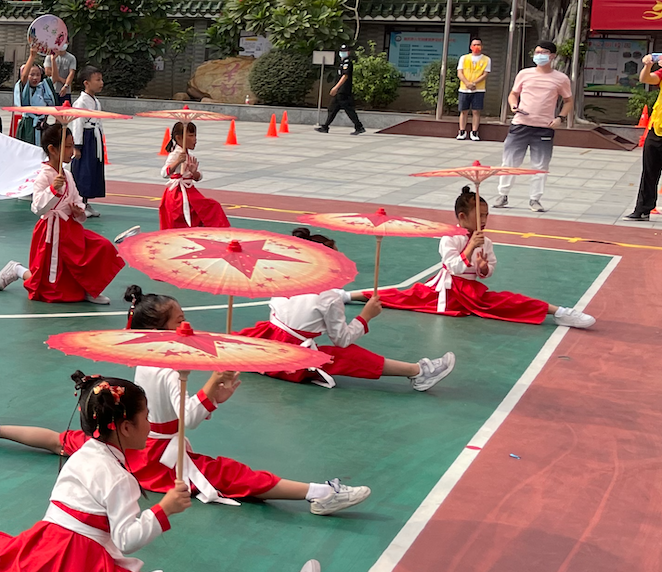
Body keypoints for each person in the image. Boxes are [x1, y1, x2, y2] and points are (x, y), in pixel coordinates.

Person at [0, 374, 322, 572]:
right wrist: (165, 510)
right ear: (125, 427)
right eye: (145, 420)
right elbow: (125, 540)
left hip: (39, 553)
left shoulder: (84, 452)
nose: (150, 427)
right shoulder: (121, 477)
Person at [0, 286, 374, 514]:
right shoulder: (164, 368)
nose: (186, 323)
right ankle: (320, 492)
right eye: (179, 320)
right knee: (233, 475)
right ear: (161, 328)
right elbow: (181, 421)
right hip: (158, 455)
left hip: (126, 447)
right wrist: (212, 395)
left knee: (61, 440)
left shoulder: (149, 361)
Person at [237, 230, 457, 391]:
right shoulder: (329, 296)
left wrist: (348, 296)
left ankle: (418, 371)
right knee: (348, 356)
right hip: (293, 356)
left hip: (267, 340)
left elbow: (309, 303)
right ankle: (418, 372)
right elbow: (341, 339)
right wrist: (365, 317)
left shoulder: (286, 277)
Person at [377, 185, 596, 326]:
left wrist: (483, 268)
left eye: (487, 215)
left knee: (510, 302)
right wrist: (470, 247)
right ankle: (351, 296)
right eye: (480, 215)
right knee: (401, 298)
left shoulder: (486, 242)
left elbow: (488, 270)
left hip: (472, 292)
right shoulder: (449, 238)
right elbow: (453, 267)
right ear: (462, 217)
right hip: (446, 290)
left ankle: (560, 312)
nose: (485, 219)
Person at [0, 122, 122, 305]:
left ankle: (89, 288)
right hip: (50, 231)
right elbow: (37, 207)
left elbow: (77, 198)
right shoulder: (44, 176)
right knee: (45, 281)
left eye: (72, 146)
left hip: (69, 229)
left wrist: (78, 209)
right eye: (68, 146)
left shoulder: (68, 175)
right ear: (53, 149)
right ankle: (16, 269)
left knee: (101, 247)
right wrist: (53, 190)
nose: (72, 151)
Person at [496, 38, 572, 212]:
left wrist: (560, 117)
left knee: (540, 165)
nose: (539, 56)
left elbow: (568, 101)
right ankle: (503, 195)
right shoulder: (524, 74)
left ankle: (535, 199)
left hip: (544, 127)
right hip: (520, 124)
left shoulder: (561, 78)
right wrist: (513, 105)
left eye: (543, 53)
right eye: (537, 52)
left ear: (552, 56)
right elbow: (513, 94)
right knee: (509, 162)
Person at [159, 121, 230, 229]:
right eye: (191, 136)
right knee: (207, 209)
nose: (195, 139)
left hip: (189, 192)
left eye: (195, 136)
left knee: (208, 208)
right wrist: (177, 161)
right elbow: (164, 173)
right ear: (179, 138)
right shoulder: (176, 155)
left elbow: (199, 177)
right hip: (178, 194)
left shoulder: (189, 156)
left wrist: (194, 173)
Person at [624, 51, 662, 221]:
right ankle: (643, 209)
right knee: (649, 171)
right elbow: (646, 79)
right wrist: (648, 65)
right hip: (658, 128)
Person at [68, 66, 107, 210]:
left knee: (92, 170)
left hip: (94, 138)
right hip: (86, 138)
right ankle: (79, 202)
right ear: (86, 83)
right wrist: (77, 146)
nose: (101, 83)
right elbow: (77, 124)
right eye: (97, 80)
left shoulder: (95, 101)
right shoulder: (81, 102)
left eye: (101, 79)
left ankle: (85, 201)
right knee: (83, 171)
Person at [315, 43, 365, 135]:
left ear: (348, 52)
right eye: (342, 51)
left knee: (348, 109)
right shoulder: (342, 62)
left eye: (345, 51)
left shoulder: (347, 62)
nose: (343, 53)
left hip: (343, 90)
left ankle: (359, 127)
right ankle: (325, 127)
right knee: (332, 108)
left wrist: (336, 87)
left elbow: (345, 76)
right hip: (340, 91)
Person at [12, 48, 53, 148]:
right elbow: (24, 77)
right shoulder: (24, 87)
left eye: (38, 75)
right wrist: (32, 56)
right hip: (28, 124)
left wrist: (53, 60)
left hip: (41, 124)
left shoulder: (43, 87)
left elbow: (48, 103)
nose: (35, 78)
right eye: (32, 74)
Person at [455, 38, 490, 142]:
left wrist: (474, 83)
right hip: (464, 89)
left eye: (478, 44)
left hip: (478, 89)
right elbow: (459, 73)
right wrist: (467, 83)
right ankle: (462, 131)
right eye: (474, 44)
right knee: (463, 111)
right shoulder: (464, 58)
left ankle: (474, 132)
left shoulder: (486, 59)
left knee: (476, 111)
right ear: (470, 47)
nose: (476, 47)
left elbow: (485, 74)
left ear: (482, 46)